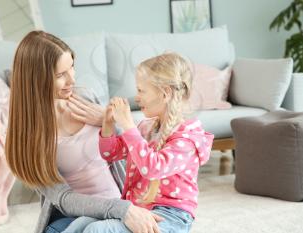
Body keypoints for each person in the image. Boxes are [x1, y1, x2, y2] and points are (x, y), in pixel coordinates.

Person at [5, 30, 163, 233]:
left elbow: (124, 154)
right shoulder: (27, 135)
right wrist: (122, 210)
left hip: (119, 201)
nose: (71, 80)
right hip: (70, 216)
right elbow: (62, 198)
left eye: (72, 67)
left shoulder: (86, 98)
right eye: (61, 75)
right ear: (35, 79)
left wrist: (108, 123)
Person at [61, 53, 214, 233]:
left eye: (141, 90)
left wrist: (127, 125)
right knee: (82, 223)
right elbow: (111, 154)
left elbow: (152, 169)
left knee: (98, 230)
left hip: (171, 217)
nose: (136, 97)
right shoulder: (145, 128)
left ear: (165, 93)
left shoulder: (187, 139)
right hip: (140, 209)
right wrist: (108, 124)